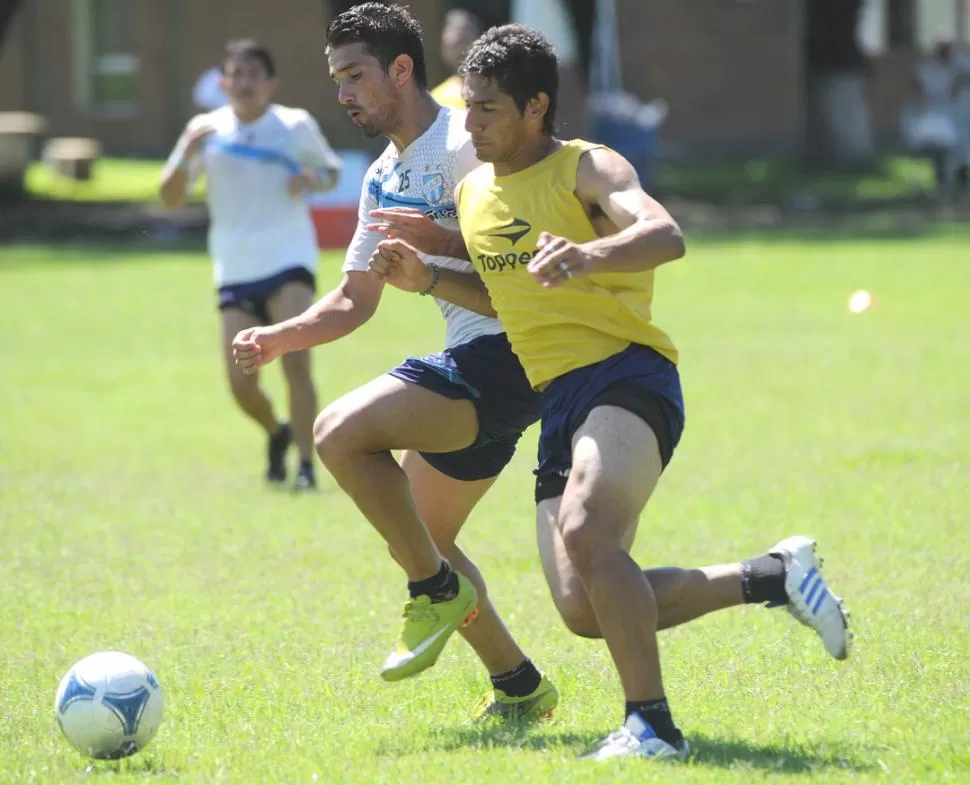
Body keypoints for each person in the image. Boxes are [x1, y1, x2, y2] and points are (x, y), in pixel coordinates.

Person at [368, 24, 852, 761]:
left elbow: (664, 233)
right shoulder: (472, 191)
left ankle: (653, 726)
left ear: (537, 106)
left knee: (588, 533)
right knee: (584, 607)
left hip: (627, 373)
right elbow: (506, 293)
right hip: (558, 400)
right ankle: (770, 577)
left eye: (489, 109)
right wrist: (431, 270)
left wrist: (590, 254)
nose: (469, 125)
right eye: (467, 106)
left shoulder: (587, 168)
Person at [230, 4, 558, 721]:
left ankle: (434, 595)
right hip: (478, 358)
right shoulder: (381, 177)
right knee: (422, 536)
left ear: (401, 71)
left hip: (510, 350)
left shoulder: (468, 137)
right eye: (336, 78)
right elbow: (354, 300)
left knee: (339, 433)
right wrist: (279, 337)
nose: (343, 92)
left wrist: (435, 246)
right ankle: (519, 687)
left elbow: (523, 257)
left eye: (355, 76)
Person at [161, 40, 342, 491]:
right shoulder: (205, 131)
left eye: (253, 74)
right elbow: (170, 199)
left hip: (289, 259)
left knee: (295, 366)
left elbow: (332, 172)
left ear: (271, 83)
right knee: (241, 385)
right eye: (235, 74)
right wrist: (185, 152)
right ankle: (277, 432)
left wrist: (312, 179)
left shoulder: (294, 125)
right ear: (223, 82)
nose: (243, 83)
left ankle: (305, 466)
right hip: (235, 268)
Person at [430, 9, 482, 110]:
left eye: (465, 40)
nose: (461, 51)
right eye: (455, 45)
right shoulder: (438, 98)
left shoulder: (490, 92)